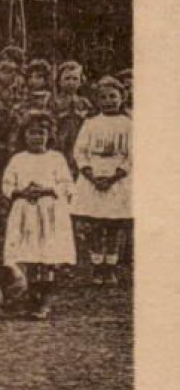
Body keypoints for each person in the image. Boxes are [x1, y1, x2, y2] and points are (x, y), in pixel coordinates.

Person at [2, 112, 77, 319]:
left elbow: (66, 184)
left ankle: (44, 301)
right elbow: (7, 185)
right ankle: (31, 299)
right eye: (32, 133)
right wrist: (22, 192)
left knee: (47, 258)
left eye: (41, 133)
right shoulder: (18, 159)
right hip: (25, 212)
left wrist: (48, 189)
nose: (37, 138)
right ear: (24, 135)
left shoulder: (56, 158)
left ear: (49, 135)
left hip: (49, 212)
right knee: (30, 256)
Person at [72, 76, 132, 286]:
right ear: (97, 100)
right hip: (94, 177)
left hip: (117, 179)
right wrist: (91, 175)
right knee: (96, 224)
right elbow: (79, 151)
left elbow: (133, 155)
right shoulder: (90, 123)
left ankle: (111, 268)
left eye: (113, 96)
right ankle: (97, 267)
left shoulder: (128, 124)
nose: (108, 101)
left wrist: (114, 177)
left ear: (122, 97)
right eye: (103, 97)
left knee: (113, 225)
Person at [49, 61, 93, 174]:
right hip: (60, 137)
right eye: (67, 78)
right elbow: (50, 119)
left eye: (75, 79)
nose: (71, 82)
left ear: (80, 82)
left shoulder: (84, 102)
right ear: (59, 81)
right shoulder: (55, 101)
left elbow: (90, 121)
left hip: (79, 137)